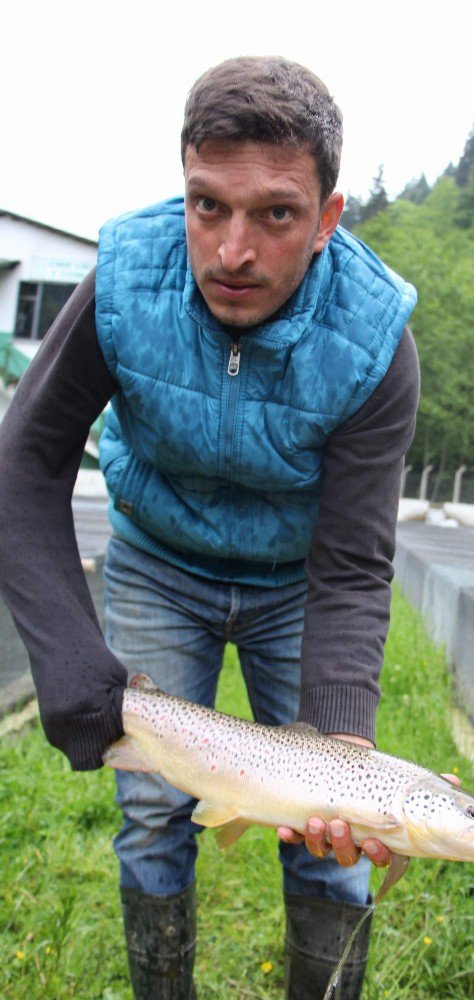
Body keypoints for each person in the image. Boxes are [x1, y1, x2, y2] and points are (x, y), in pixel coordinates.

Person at [0, 56, 421, 999]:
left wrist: (346, 747)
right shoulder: (124, 284)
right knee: (153, 808)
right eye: (207, 206)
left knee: (330, 834)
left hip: (297, 580)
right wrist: (67, 656)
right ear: (182, 188)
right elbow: (21, 466)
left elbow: (354, 564)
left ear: (326, 219)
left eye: (274, 213)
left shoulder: (375, 339)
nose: (233, 250)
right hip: (157, 563)